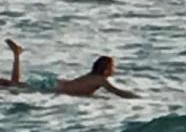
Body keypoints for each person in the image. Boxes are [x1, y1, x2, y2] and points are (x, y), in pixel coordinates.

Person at [0, 38, 138, 98]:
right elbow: (117, 92)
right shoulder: (100, 80)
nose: (114, 70)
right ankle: (17, 54)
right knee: (14, 84)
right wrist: (136, 96)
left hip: (56, 84)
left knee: (10, 84)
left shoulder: (93, 77)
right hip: (55, 87)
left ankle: (16, 54)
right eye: (113, 67)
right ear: (106, 69)